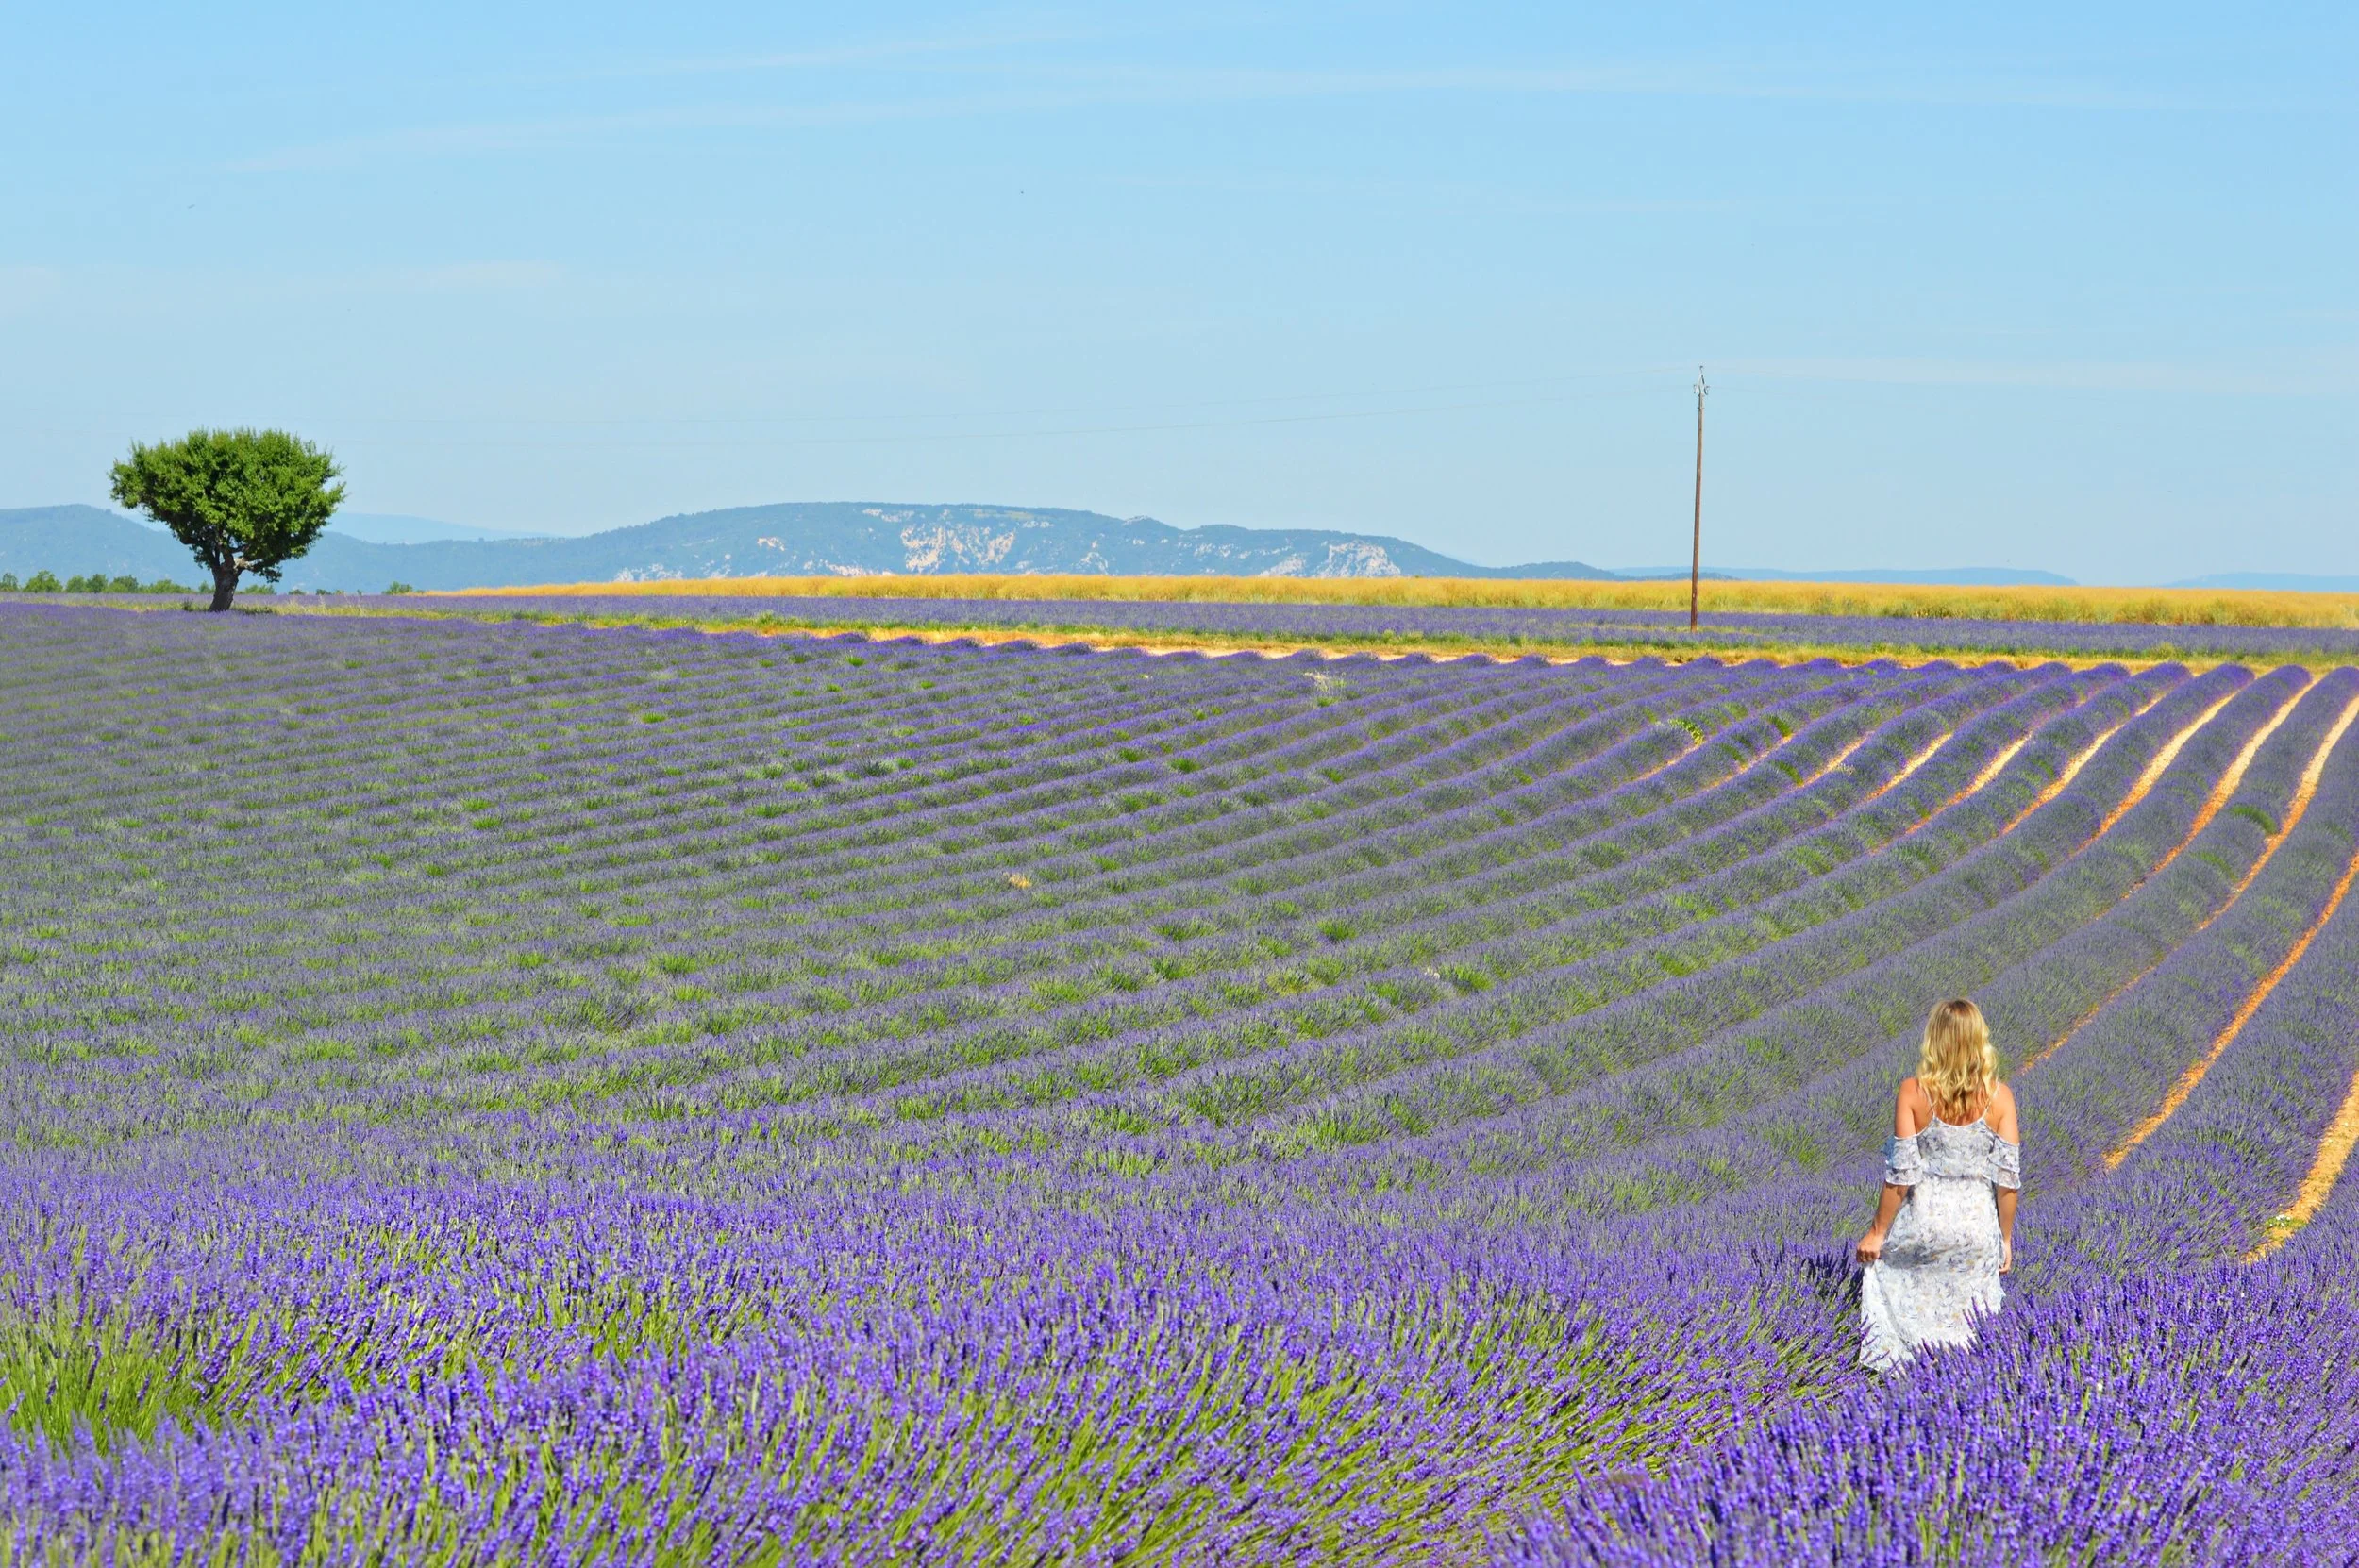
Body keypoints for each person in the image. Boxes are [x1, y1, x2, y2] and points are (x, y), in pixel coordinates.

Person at [1855, 997, 2021, 1372]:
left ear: (1934, 1040)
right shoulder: (2000, 1097)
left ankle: (1906, 1388)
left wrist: (1878, 1233)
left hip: (1924, 1224)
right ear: (1980, 1040)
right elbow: (2007, 1182)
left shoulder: (1914, 1092)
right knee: (1968, 1327)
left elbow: (1901, 1174)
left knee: (1898, 1300)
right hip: (1976, 1228)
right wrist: (2004, 1239)